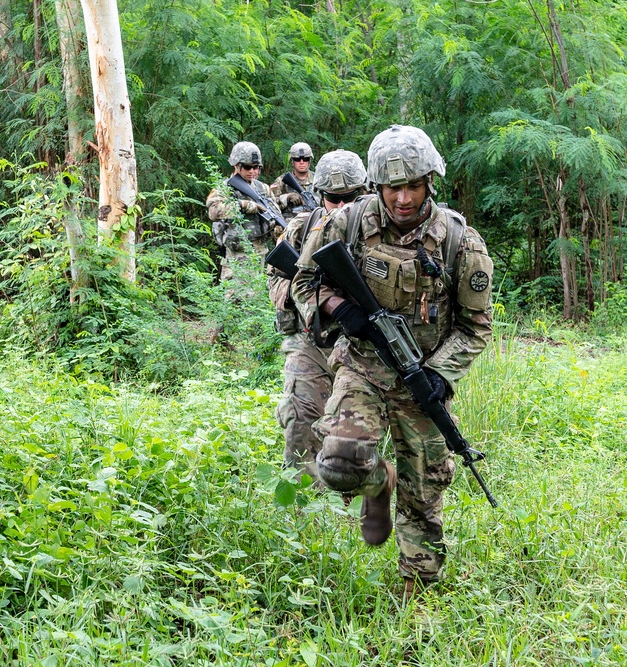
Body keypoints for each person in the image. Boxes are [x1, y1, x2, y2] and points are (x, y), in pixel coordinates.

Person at [291, 125, 494, 595]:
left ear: (430, 183)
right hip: (362, 365)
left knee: (423, 496)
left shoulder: (460, 242)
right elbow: (302, 282)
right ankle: (379, 481)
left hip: (422, 378)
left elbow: (476, 326)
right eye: (392, 186)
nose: (403, 198)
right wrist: (339, 308)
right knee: (340, 464)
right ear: (377, 185)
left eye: (414, 185)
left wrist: (440, 375)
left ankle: (415, 598)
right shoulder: (348, 222)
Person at [267, 150, 368, 482]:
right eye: (332, 198)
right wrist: (303, 301)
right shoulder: (302, 226)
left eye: (349, 198)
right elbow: (276, 276)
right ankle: (298, 496)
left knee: (351, 426)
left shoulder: (376, 234)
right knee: (301, 414)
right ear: (320, 195)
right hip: (311, 337)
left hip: (359, 343)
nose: (340, 207)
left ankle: (346, 498)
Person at [206, 141, 280, 284]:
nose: (252, 171)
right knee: (235, 301)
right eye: (247, 167)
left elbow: (275, 213)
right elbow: (213, 212)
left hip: (260, 253)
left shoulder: (263, 189)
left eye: (256, 167)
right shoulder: (225, 188)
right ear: (236, 165)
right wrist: (243, 205)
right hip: (236, 255)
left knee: (256, 299)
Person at [271, 142, 316, 220]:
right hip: (289, 225)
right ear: (292, 161)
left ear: (309, 161)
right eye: (297, 159)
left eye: (305, 159)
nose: (301, 162)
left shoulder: (318, 179)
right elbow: (271, 204)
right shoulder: (281, 181)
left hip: (314, 222)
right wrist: (287, 197)